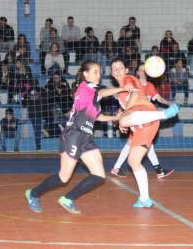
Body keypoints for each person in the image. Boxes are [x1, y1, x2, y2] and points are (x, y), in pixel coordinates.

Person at [25, 60, 135, 214]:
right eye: (95, 71)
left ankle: (68, 199)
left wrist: (115, 117)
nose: (99, 75)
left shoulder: (92, 96)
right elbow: (102, 93)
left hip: (86, 138)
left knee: (99, 175)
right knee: (63, 177)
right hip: (74, 135)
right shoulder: (85, 88)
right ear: (85, 74)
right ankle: (33, 194)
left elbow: (96, 116)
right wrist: (122, 88)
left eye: (100, 72)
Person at [110, 57, 180, 208]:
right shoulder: (119, 89)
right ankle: (144, 199)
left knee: (122, 121)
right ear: (111, 73)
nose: (117, 71)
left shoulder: (127, 80)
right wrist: (123, 115)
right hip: (143, 123)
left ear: (126, 70)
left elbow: (134, 95)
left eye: (120, 68)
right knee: (133, 161)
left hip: (146, 114)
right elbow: (126, 105)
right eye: (114, 69)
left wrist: (123, 117)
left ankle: (164, 114)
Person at [111, 64, 174, 179]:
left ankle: (117, 167)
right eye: (141, 70)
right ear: (138, 73)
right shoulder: (132, 83)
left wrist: (169, 103)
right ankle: (158, 170)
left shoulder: (150, 86)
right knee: (141, 144)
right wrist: (119, 116)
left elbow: (158, 98)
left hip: (144, 118)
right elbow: (126, 102)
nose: (143, 72)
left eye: (145, 70)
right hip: (137, 117)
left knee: (137, 144)